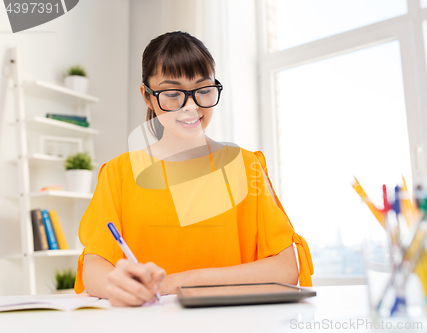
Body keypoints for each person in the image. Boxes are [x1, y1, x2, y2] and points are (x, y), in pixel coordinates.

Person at [75, 31, 313, 307]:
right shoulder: (119, 173)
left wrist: (175, 282)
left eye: (203, 90)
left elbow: (285, 268)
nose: (191, 106)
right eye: (173, 93)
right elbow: (94, 266)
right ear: (147, 96)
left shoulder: (247, 167)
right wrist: (115, 284)